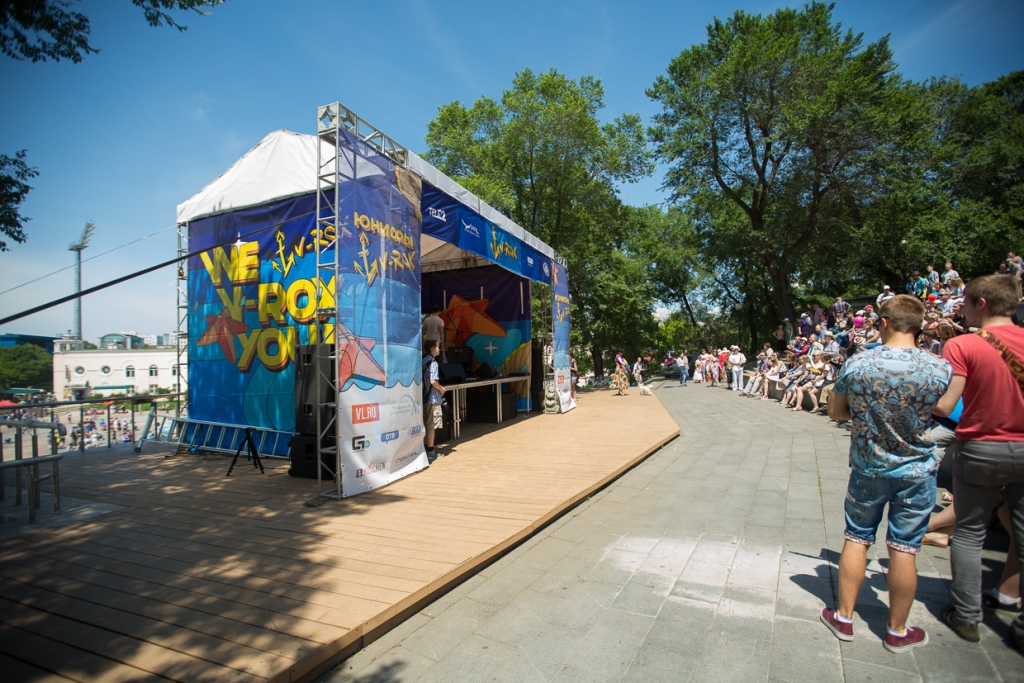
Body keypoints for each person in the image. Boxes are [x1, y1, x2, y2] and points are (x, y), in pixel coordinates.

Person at [821, 295, 952, 654]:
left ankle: (844, 617)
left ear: (883, 322)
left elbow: (837, 412)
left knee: (857, 537)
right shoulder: (939, 367)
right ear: (920, 326)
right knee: (904, 548)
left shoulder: (859, 363)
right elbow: (943, 408)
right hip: (917, 470)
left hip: (868, 467)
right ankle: (897, 631)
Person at [931, 274, 1024, 649]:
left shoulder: (963, 344)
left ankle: (967, 616)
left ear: (981, 303)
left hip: (981, 447)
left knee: (969, 533)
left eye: (965, 303)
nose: (962, 310)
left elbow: (945, 405)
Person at [422, 339, 448, 460]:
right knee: (431, 426)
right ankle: (431, 451)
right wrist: (441, 388)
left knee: (425, 424)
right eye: (438, 347)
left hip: (424, 398)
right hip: (433, 398)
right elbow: (433, 381)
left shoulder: (423, 361)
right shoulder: (433, 363)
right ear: (432, 348)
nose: (440, 349)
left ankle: (424, 449)